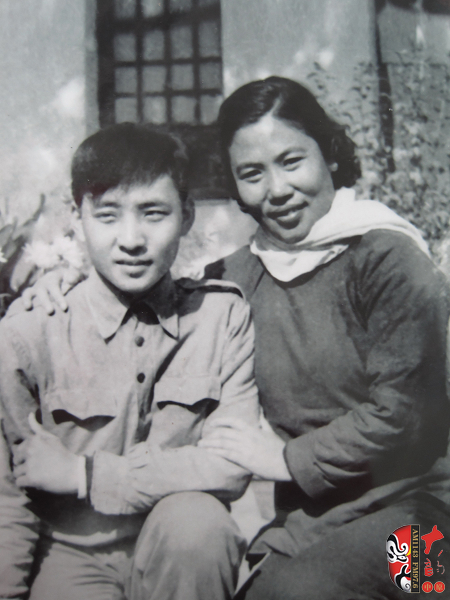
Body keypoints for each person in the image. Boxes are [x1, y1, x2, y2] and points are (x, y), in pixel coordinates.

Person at [22, 77, 450, 599]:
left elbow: (407, 412)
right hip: (310, 526)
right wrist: (60, 288)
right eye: (252, 173)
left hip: (424, 519)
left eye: (292, 161)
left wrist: (286, 460)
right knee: (261, 594)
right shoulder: (237, 278)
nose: (277, 189)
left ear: (331, 155)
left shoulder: (388, 258)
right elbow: (151, 290)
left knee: (326, 593)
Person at [0, 123, 259, 600]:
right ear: (76, 217)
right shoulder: (30, 330)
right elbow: (7, 501)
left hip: (176, 547)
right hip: (72, 555)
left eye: (153, 213)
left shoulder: (220, 318)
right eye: (107, 215)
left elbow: (232, 464)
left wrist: (87, 475)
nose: (132, 239)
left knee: (201, 529)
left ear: (186, 215)